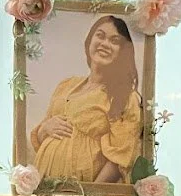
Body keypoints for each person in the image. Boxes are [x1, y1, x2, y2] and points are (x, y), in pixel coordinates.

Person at [29, 15, 142, 184]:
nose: (105, 43)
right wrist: (44, 128)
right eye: (100, 35)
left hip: (83, 194)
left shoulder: (125, 96)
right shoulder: (66, 85)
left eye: (114, 40)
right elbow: (40, 137)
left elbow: (120, 157)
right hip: (44, 184)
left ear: (123, 51)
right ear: (90, 40)